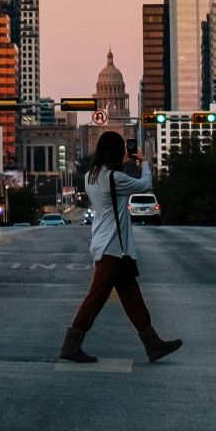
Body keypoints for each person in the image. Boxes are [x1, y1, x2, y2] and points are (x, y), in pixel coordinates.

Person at [58, 132, 181, 364]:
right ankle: (71, 345)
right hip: (113, 248)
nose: (127, 151)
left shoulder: (91, 176)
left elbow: (113, 188)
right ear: (115, 151)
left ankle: (153, 344)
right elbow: (145, 185)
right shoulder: (115, 178)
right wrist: (143, 162)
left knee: (132, 297)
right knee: (95, 298)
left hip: (104, 243)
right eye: (123, 149)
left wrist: (124, 163)